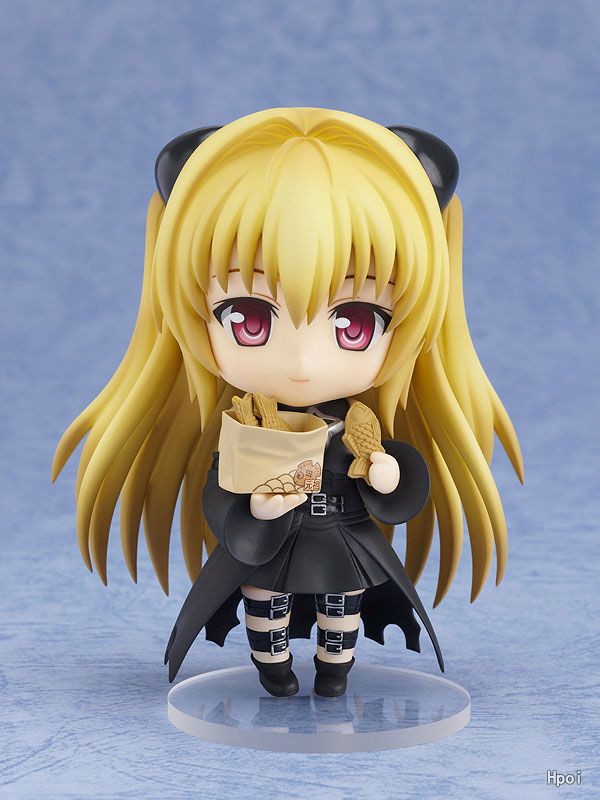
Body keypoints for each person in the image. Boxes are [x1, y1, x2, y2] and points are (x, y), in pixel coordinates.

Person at [53, 107, 523, 698]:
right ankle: (273, 670)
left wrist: (386, 473)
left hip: (340, 537)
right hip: (270, 546)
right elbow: (220, 490)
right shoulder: (248, 426)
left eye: (354, 322)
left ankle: (334, 671)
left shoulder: (358, 425)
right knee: (264, 605)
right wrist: (256, 509)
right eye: (248, 319)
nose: (302, 362)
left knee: (342, 606)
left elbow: (400, 488)